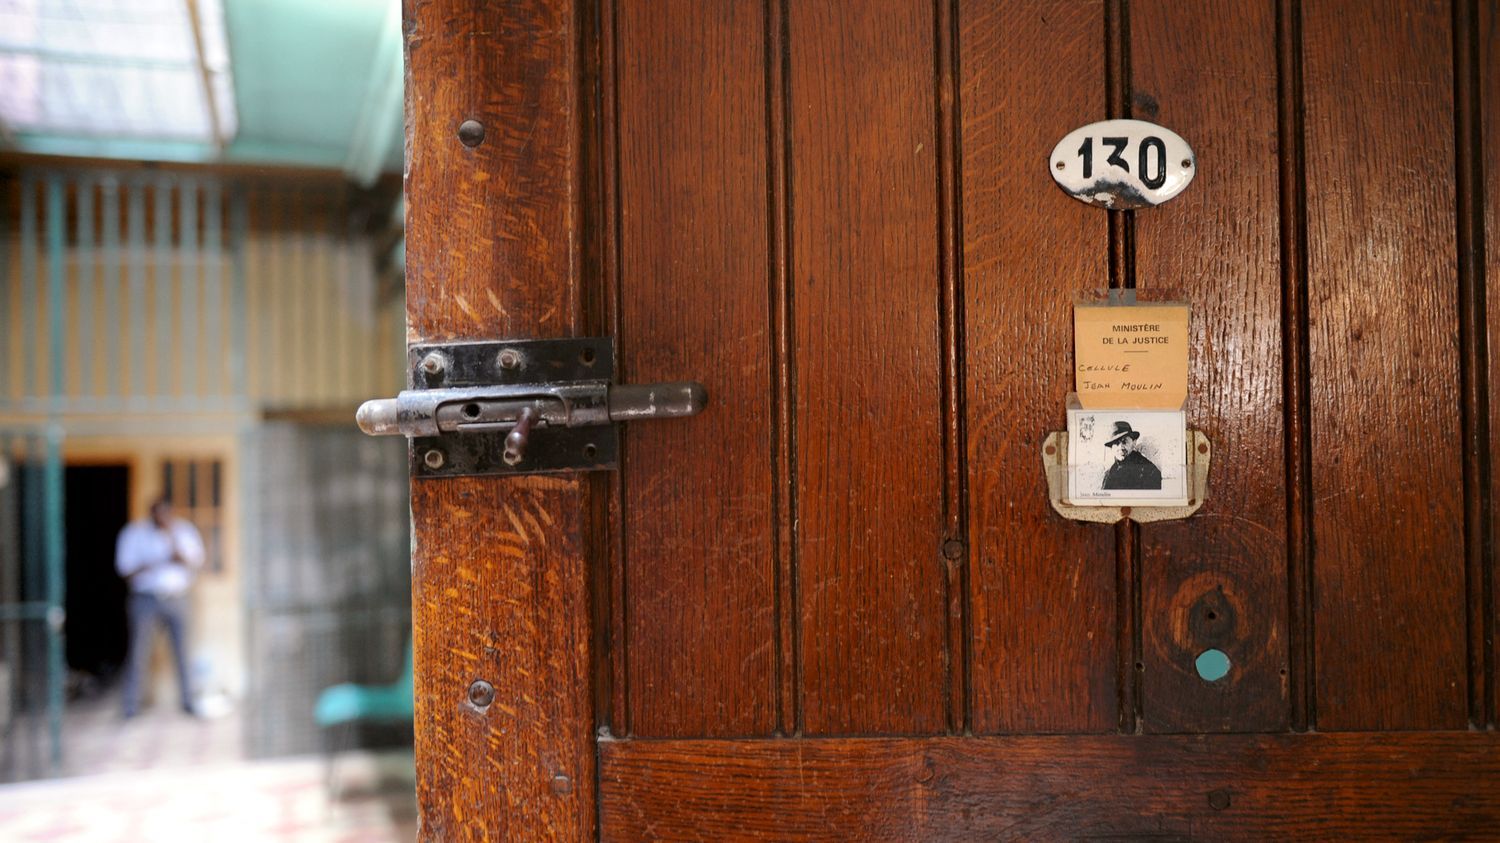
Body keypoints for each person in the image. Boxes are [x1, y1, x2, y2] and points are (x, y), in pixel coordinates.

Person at [115, 497, 204, 718]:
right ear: (151, 513)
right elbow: (125, 570)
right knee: (138, 652)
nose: (162, 518)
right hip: (145, 599)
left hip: (176, 598)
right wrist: (150, 563)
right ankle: (131, 707)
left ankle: (188, 701)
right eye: (158, 514)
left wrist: (173, 542)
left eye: (166, 513)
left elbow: (194, 563)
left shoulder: (183, 531)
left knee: (182, 651)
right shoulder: (134, 533)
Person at [1100, 421, 1162, 490]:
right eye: (1116, 443)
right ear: (1112, 447)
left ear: (1134, 443)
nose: (1121, 447)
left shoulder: (1149, 471)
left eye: (1124, 441)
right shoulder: (1108, 475)